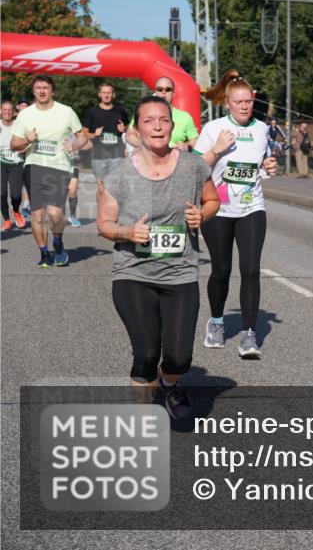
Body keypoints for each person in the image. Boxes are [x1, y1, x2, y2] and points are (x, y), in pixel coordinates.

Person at [97, 95, 219, 418]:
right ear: (137, 129)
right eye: (149, 121)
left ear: (172, 126)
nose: (157, 126)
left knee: (179, 358)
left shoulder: (193, 166)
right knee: (147, 352)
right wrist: (127, 233)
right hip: (133, 273)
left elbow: (212, 200)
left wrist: (201, 216)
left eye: (164, 120)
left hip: (180, 273)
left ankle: (169, 382)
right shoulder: (119, 173)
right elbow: (104, 223)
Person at [194, 70, 278, 358]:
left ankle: (249, 334)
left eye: (248, 101)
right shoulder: (213, 128)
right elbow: (196, 167)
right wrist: (217, 150)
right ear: (227, 102)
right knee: (221, 270)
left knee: (251, 270)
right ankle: (217, 322)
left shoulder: (262, 129)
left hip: (251, 207)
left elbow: (261, 167)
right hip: (217, 207)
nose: (244, 106)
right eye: (238, 101)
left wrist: (269, 168)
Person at [9, 75, 88, 267]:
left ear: (52, 90)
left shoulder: (66, 111)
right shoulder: (26, 114)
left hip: (59, 166)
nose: (42, 91)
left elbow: (83, 137)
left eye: (45, 87)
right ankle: (44, 253)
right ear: (34, 91)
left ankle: (58, 242)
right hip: (33, 165)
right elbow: (14, 145)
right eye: (38, 88)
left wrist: (74, 145)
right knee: (37, 214)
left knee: (54, 214)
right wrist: (27, 140)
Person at [125, 76, 199, 151]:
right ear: (155, 93)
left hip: (176, 159)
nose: (164, 92)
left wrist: (187, 147)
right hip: (148, 160)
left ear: (173, 94)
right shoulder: (143, 112)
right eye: (160, 89)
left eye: (168, 89)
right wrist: (145, 147)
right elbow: (129, 135)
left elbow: (194, 140)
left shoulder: (185, 116)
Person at [82, 82, 129, 182]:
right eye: (104, 93)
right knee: (101, 186)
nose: (106, 95)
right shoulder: (91, 112)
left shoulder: (120, 111)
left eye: (109, 93)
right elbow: (84, 133)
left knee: (114, 186)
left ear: (113, 94)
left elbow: (129, 128)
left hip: (117, 155)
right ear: (99, 94)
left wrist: (124, 129)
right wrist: (95, 134)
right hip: (98, 155)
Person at [1, 100, 27, 230]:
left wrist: (26, 147)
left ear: (14, 112)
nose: (7, 112)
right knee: (1, 193)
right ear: (0, 111)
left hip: (16, 163)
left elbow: (29, 141)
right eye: (4, 110)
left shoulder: (19, 125)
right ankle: (6, 220)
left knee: (16, 194)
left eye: (9, 110)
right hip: (1, 163)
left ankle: (16, 211)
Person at [64, 134, 92, 228]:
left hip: (73, 164)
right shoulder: (57, 129)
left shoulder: (76, 133)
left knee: (73, 191)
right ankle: (58, 215)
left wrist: (76, 145)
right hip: (59, 164)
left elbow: (89, 144)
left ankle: (72, 216)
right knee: (59, 193)